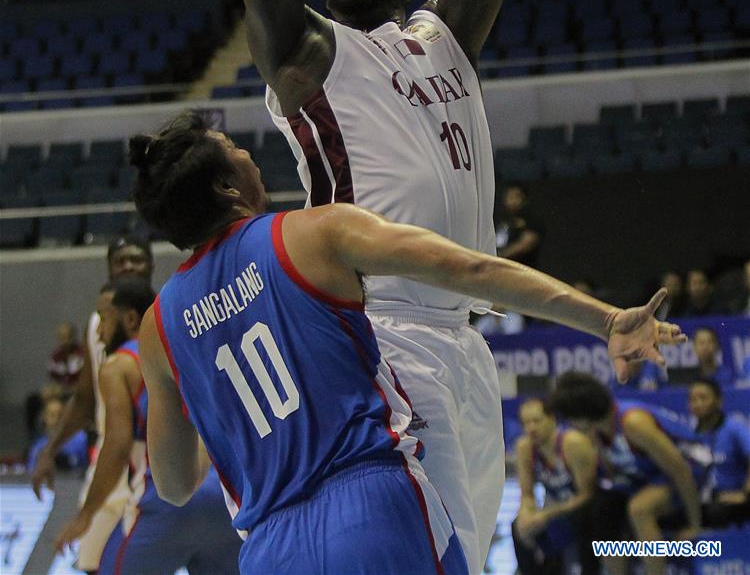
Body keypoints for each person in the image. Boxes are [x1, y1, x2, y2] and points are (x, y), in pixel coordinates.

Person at [128, 110, 684, 575]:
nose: (248, 155)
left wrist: (218, 404)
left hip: (270, 549)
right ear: (228, 187)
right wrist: (606, 319)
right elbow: (466, 268)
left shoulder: (158, 328)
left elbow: (175, 484)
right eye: (234, 149)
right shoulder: (310, 233)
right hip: (371, 508)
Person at [233, 0, 516, 572]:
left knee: (466, 551)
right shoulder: (309, 55)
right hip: (382, 331)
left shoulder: (445, 37)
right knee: (419, 554)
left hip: (467, 341)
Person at [54, 279, 241, 574]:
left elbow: (117, 446)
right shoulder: (189, 343)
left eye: (104, 319)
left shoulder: (118, 365)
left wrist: (85, 515)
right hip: (224, 496)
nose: (99, 333)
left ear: (129, 320)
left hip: (169, 496)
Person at [32, 234, 154, 574]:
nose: (128, 266)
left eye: (136, 259)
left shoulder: (166, 314)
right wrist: (49, 449)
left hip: (153, 457)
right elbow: (85, 398)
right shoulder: (97, 326)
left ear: (152, 265)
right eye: (120, 261)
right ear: (108, 269)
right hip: (111, 454)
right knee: (91, 561)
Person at [550, 372, 708, 575]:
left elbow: (681, 470)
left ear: (582, 415)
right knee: (602, 508)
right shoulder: (597, 431)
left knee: (639, 508)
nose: (570, 426)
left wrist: (695, 524)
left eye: (570, 419)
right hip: (650, 476)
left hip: (694, 469)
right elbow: (614, 475)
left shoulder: (633, 423)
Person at [512, 399, 598, 575]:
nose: (531, 428)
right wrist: (526, 514)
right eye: (526, 423)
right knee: (518, 527)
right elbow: (527, 494)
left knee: (577, 520)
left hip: (584, 509)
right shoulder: (525, 448)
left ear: (552, 419)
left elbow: (587, 495)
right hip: (556, 510)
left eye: (536, 421)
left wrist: (546, 514)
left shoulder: (573, 443)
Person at [689, 378, 750, 526]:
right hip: (703, 499)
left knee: (714, 513)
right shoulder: (688, 432)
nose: (697, 404)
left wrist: (745, 494)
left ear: (718, 401)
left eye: (703, 398)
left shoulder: (734, 427)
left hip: (734, 498)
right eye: (693, 399)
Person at [27, 396, 88, 474]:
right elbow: (31, 472)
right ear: (44, 418)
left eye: (59, 415)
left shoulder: (80, 439)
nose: (56, 419)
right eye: (52, 415)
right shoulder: (38, 447)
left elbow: (86, 468)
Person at [496, 184, 545, 270]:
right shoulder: (503, 221)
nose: (512, 200)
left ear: (524, 199)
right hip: (502, 270)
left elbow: (525, 246)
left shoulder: (533, 221)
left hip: (524, 271)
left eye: (516, 196)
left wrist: (498, 256)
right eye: (509, 196)